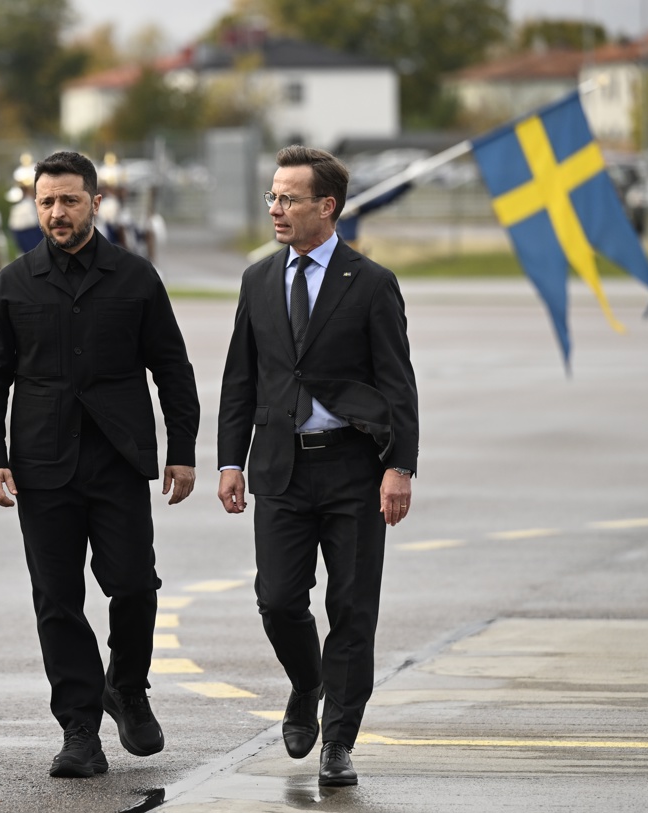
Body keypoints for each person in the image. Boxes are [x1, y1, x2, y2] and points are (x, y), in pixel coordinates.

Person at [0, 150, 199, 779]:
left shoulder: (134, 277)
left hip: (119, 460)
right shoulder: (13, 283)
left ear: (95, 202)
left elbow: (172, 370)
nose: (57, 212)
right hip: (42, 466)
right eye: (46, 202)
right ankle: (79, 730)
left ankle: (127, 685)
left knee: (132, 585)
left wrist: (182, 451)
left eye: (69, 200)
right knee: (57, 600)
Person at [216, 145, 418, 787]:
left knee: (353, 610)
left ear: (326, 207)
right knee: (277, 601)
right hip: (280, 468)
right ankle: (308, 684)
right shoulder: (258, 279)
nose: (275, 208)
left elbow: (398, 383)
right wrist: (229, 460)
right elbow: (239, 379)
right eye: (272, 197)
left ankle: (339, 742)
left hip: (355, 471)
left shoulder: (373, 283)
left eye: (288, 198)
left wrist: (399, 467)